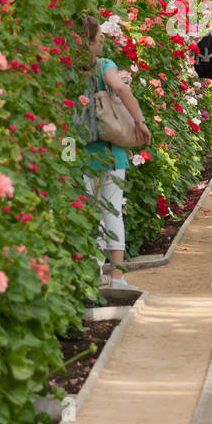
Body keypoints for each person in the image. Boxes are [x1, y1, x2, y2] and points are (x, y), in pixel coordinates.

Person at [83, 15, 152, 297]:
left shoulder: (66, 69)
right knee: (111, 210)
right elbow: (121, 88)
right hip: (110, 151)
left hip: (78, 151)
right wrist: (139, 121)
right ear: (93, 39)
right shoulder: (103, 66)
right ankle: (117, 277)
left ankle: (92, 273)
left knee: (87, 211)